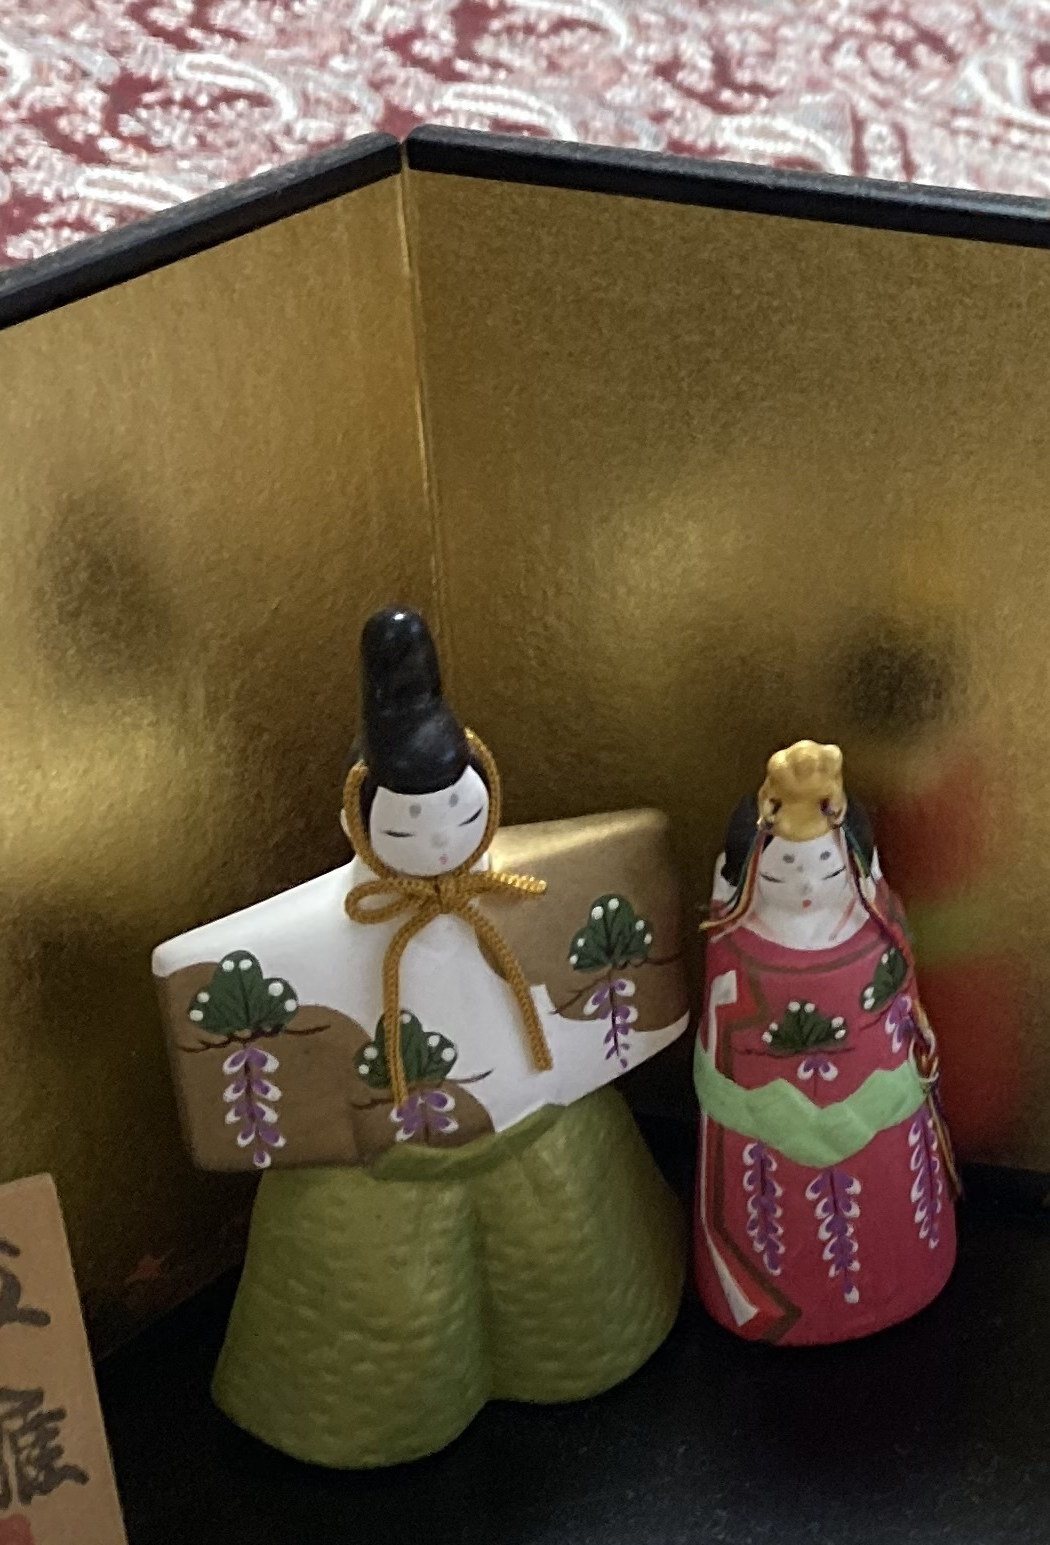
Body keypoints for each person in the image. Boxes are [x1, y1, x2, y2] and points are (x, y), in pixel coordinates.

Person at [152, 607, 689, 1469]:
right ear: (359, 819)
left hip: (535, 1125)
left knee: (573, 1280)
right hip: (384, 1161)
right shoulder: (344, 917)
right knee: (385, 1329)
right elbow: (223, 990)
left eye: (456, 813)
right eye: (410, 824)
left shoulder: (517, 885)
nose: (439, 839)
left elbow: (615, 907)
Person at [693, 740, 957, 1343]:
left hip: (883, 1107)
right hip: (763, 1128)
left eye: (827, 868)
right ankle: (772, 1303)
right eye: (784, 870)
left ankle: (905, 1277)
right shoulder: (734, 942)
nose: (808, 885)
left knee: (890, 1199)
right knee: (774, 1214)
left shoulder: (880, 922)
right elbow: (725, 1033)